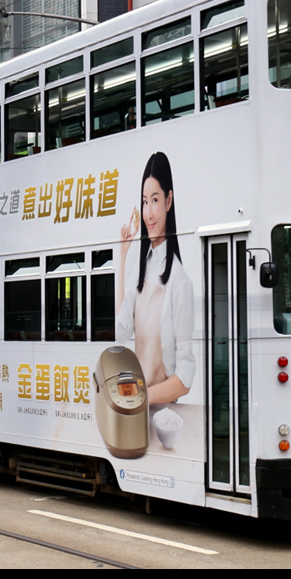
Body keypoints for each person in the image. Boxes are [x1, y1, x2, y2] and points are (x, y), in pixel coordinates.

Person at [115, 152, 195, 406]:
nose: (148, 214)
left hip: (163, 413)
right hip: (137, 410)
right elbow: (121, 332)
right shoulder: (140, 271)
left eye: (155, 200)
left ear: (169, 201)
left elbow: (185, 375)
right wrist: (123, 255)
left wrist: (143, 398)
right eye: (144, 202)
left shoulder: (180, 281)